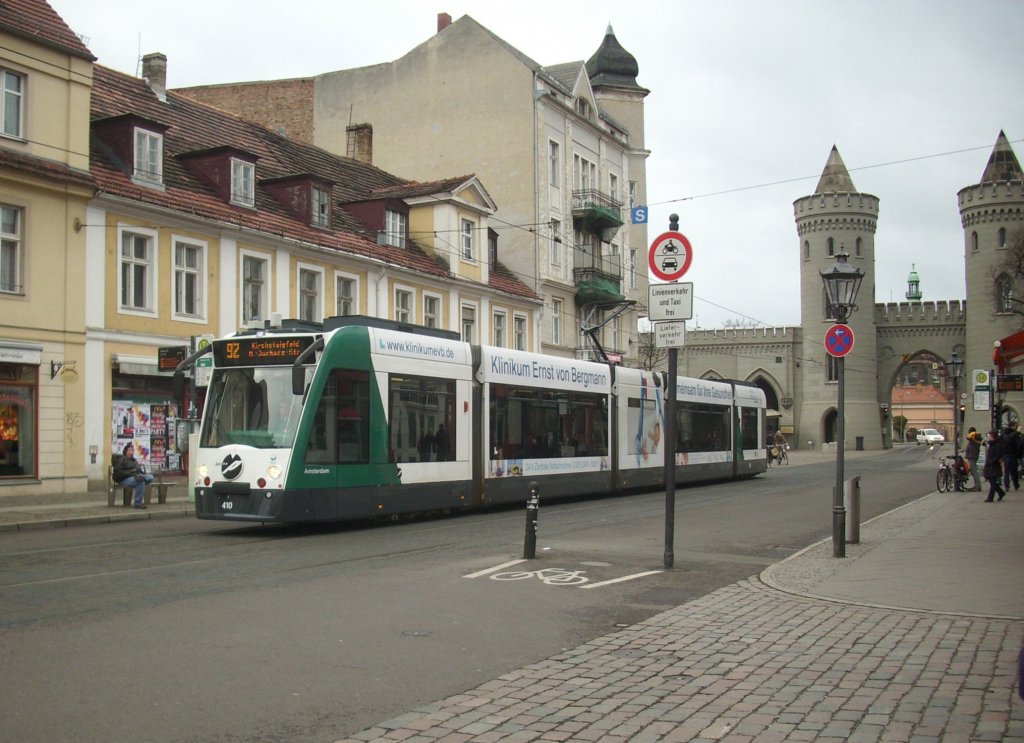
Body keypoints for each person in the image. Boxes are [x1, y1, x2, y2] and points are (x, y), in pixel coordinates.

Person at [112, 442, 154, 508]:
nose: (132, 451)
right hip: (124, 479)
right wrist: (131, 473)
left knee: (150, 477)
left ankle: (138, 502)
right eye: (130, 449)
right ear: (126, 451)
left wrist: (140, 475)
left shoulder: (134, 461)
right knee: (141, 481)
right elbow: (118, 472)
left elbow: (139, 470)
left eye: (133, 450)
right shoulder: (121, 459)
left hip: (135, 477)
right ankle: (138, 503)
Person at [982, 429, 1006, 503]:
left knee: (992, 483)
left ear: (992, 436)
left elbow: (997, 455)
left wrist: (991, 461)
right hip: (990, 465)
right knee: (992, 482)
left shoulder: (997, 444)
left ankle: (990, 498)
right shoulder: (992, 444)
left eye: (989, 435)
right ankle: (1001, 493)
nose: (988, 437)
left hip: (993, 465)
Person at [999, 421, 1020, 491]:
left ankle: (1006, 486)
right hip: (1013, 454)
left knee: (1006, 471)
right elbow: (1018, 445)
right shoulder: (1015, 434)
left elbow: (1000, 445)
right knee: (1014, 471)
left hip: (1005, 454)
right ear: (1013, 426)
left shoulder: (1003, 434)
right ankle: (1016, 484)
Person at [963, 427, 983, 491]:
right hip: (973, 456)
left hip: (972, 456)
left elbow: (968, 437)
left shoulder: (973, 437)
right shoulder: (976, 438)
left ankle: (978, 486)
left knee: (974, 472)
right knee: (974, 471)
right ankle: (976, 486)